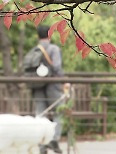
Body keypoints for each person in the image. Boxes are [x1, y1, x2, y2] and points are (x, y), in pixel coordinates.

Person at [31, 25, 64, 154]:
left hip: (37, 86)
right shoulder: (53, 49)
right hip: (52, 86)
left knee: (41, 114)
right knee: (58, 112)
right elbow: (57, 67)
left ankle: (41, 144)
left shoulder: (34, 50)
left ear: (38, 36)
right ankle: (53, 139)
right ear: (49, 35)